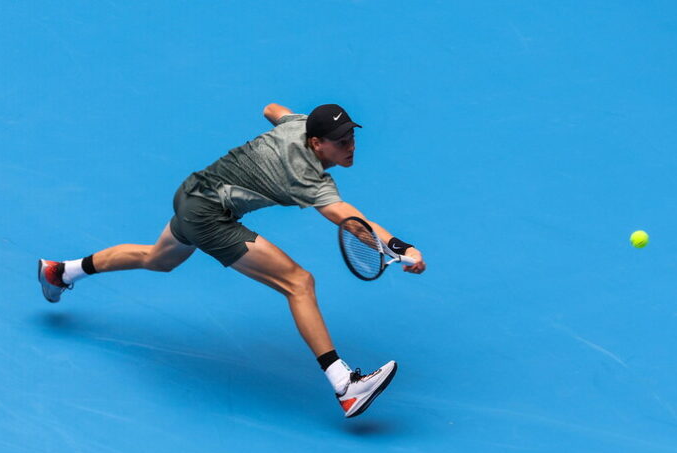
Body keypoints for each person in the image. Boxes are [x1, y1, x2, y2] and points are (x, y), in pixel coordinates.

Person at [37, 103, 426, 418]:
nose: (350, 145)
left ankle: (60, 272)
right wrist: (402, 249)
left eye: (352, 135)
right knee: (298, 283)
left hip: (190, 193)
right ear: (317, 143)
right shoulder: (308, 179)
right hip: (209, 214)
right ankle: (345, 386)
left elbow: (271, 109)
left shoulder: (295, 124)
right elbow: (353, 223)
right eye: (340, 141)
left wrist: (286, 123)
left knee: (157, 259)